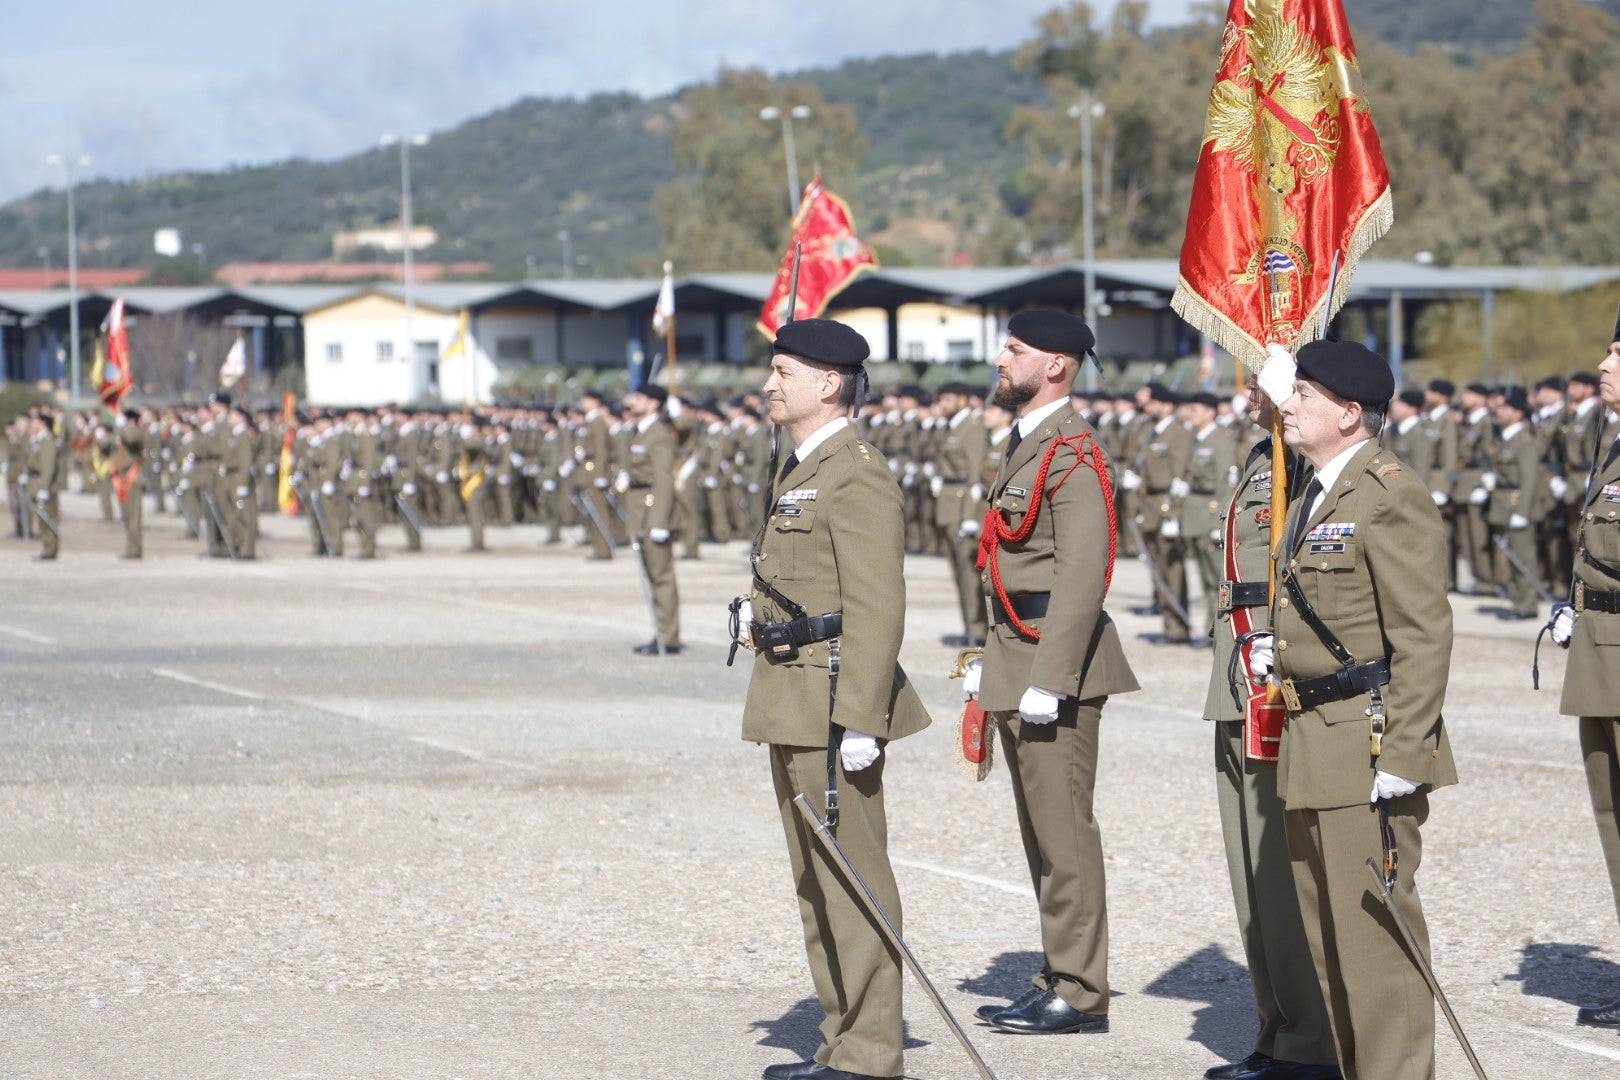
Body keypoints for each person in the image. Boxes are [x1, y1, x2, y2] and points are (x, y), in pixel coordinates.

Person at [1255, 340, 1458, 1080]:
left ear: (1348, 412)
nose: (1288, 404)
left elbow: (1424, 633)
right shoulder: (1317, 487)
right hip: (1314, 738)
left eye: (1303, 394)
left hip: (1368, 742)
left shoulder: (1387, 490)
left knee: (1376, 946)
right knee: (1327, 939)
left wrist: (1405, 752)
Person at [739, 317, 930, 1080]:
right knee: (816, 883)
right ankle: (841, 1042)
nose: (767, 385)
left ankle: (873, 1051)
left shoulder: (856, 472)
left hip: (830, 703)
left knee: (854, 881)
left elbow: (879, 605)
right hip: (791, 694)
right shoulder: (804, 466)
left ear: (828, 383)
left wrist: (862, 717)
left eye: (782, 371)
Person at [968, 309, 1139, 1035]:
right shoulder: (1029, 443)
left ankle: (1080, 988)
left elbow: (1083, 570)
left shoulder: (1071, 450)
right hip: (1019, 655)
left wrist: (1052, 675)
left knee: (1064, 834)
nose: (1000, 357)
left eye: (1017, 348)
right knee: (1041, 835)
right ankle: (1059, 971)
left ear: (1058, 366)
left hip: (1051, 665)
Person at [1202, 377, 1337, 1080]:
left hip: (1275, 678)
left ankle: (1312, 1043)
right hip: (1238, 674)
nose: (1244, 389)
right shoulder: (1264, 457)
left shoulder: (1308, 461)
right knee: (1249, 871)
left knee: (1282, 874)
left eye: (1255, 374)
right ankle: (1278, 1029)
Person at [1550, 317, 1620, 1030]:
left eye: (1619, 354)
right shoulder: (1612, 447)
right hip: (1603, 651)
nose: (1604, 365)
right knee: (1613, 818)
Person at [624, 384, 681, 655]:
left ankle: (667, 637)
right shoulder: (640, 430)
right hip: (639, 511)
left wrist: (659, 521)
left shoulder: (658, 434)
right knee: (651, 577)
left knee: (661, 578)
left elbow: (663, 480)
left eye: (640, 398)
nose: (633, 402)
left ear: (654, 404)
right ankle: (659, 631)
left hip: (651, 512)